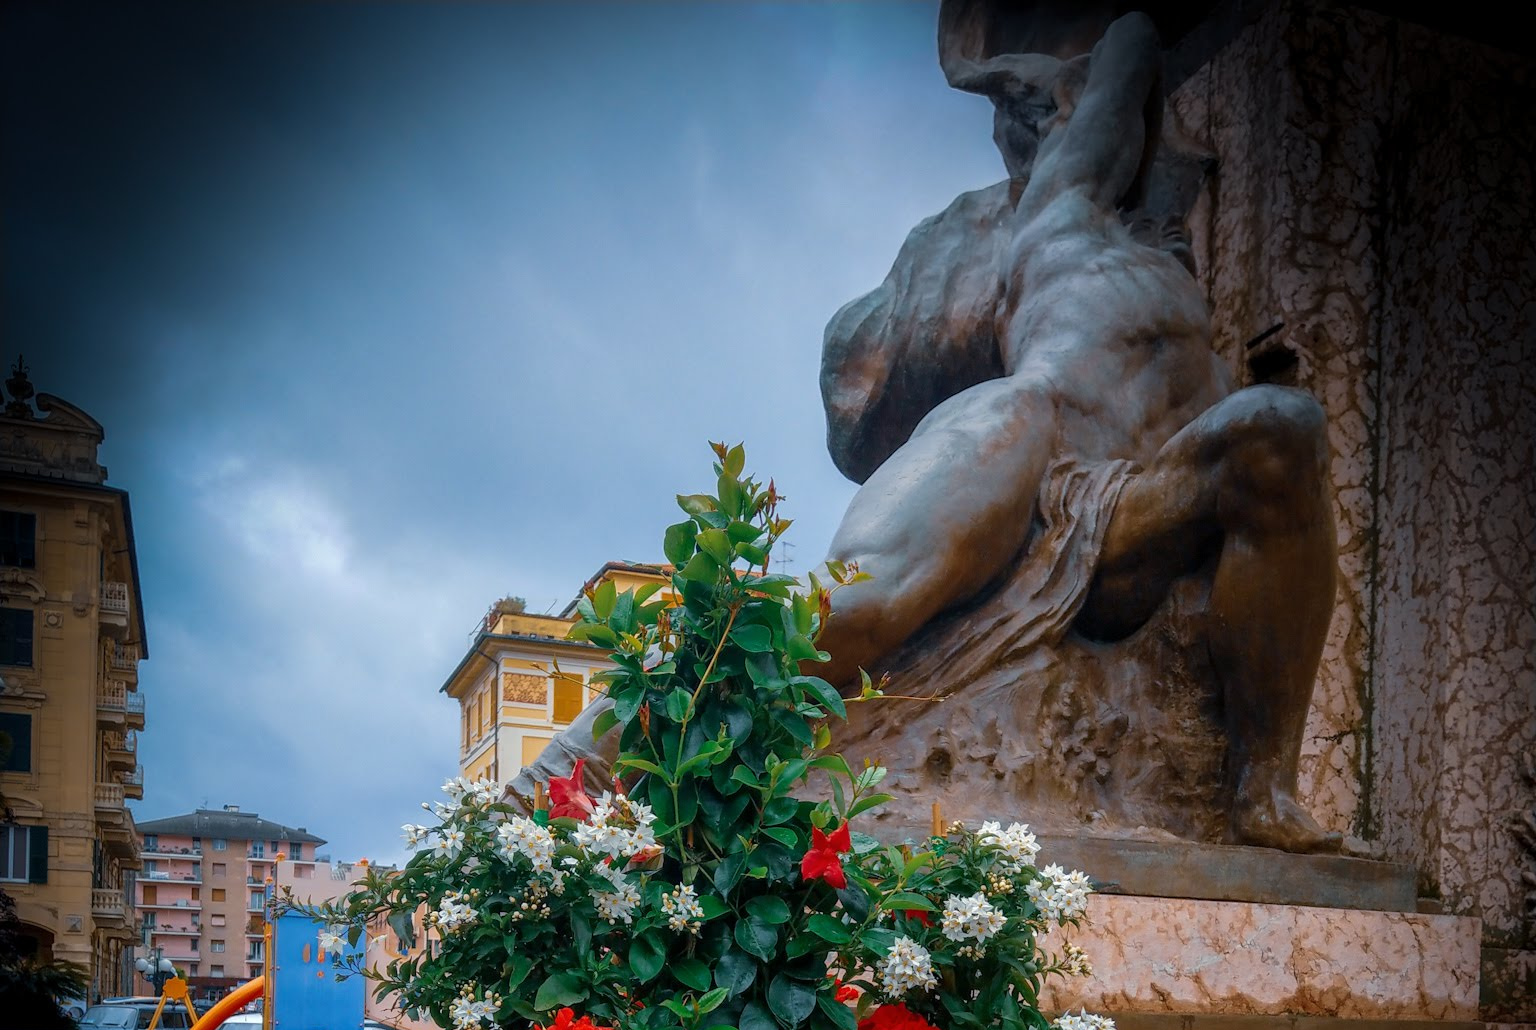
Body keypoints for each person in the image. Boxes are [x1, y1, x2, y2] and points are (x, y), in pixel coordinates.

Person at [521, 10, 1340, 854]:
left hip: (1132, 506)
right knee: (867, 600)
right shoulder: (1066, 216)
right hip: (1030, 435)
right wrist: (1055, 69)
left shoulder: (1185, 292)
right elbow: (1133, 45)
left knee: (1280, 430)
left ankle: (1262, 794)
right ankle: (576, 762)